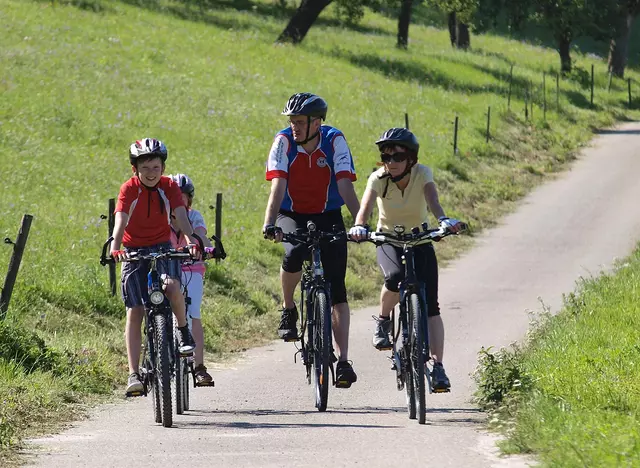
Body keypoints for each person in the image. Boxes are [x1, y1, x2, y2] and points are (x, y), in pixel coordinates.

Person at [348, 128, 462, 392]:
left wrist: (443, 220)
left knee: (431, 306)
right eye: (386, 157)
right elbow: (364, 209)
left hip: (420, 238)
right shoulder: (378, 178)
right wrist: (359, 226)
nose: (392, 162)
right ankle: (384, 320)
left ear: (411, 158)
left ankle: (438, 367)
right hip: (388, 239)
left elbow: (433, 200)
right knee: (394, 277)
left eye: (398, 156)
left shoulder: (422, 173)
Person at [262, 92, 361, 388]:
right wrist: (269, 223)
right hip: (290, 212)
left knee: (338, 290)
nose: (294, 126)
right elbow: (278, 185)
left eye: (300, 121)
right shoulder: (283, 142)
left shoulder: (334, 141)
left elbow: (344, 184)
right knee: (293, 254)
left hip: (328, 213)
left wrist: (360, 222)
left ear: (317, 123)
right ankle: (288, 308)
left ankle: (343, 361)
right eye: (292, 121)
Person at [110, 138, 204, 394]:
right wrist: (115, 248)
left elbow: (181, 215)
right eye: (145, 168)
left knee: (173, 287)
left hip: (162, 245)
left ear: (162, 168)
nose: (151, 173)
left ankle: (183, 332)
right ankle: (133, 374)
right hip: (132, 249)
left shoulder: (169, 186)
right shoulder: (129, 189)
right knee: (135, 309)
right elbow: (121, 219)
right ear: (135, 170)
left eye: (155, 167)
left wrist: (189, 240)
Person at [169, 173, 214, 386]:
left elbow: (200, 236)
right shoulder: (159, 217)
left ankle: (199, 367)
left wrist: (207, 248)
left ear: (189, 199)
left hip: (191, 269)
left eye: (182, 196)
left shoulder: (194, 216)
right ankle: (161, 349)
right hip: (167, 269)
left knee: (193, 313)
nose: (178, 199)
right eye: (173, 195)